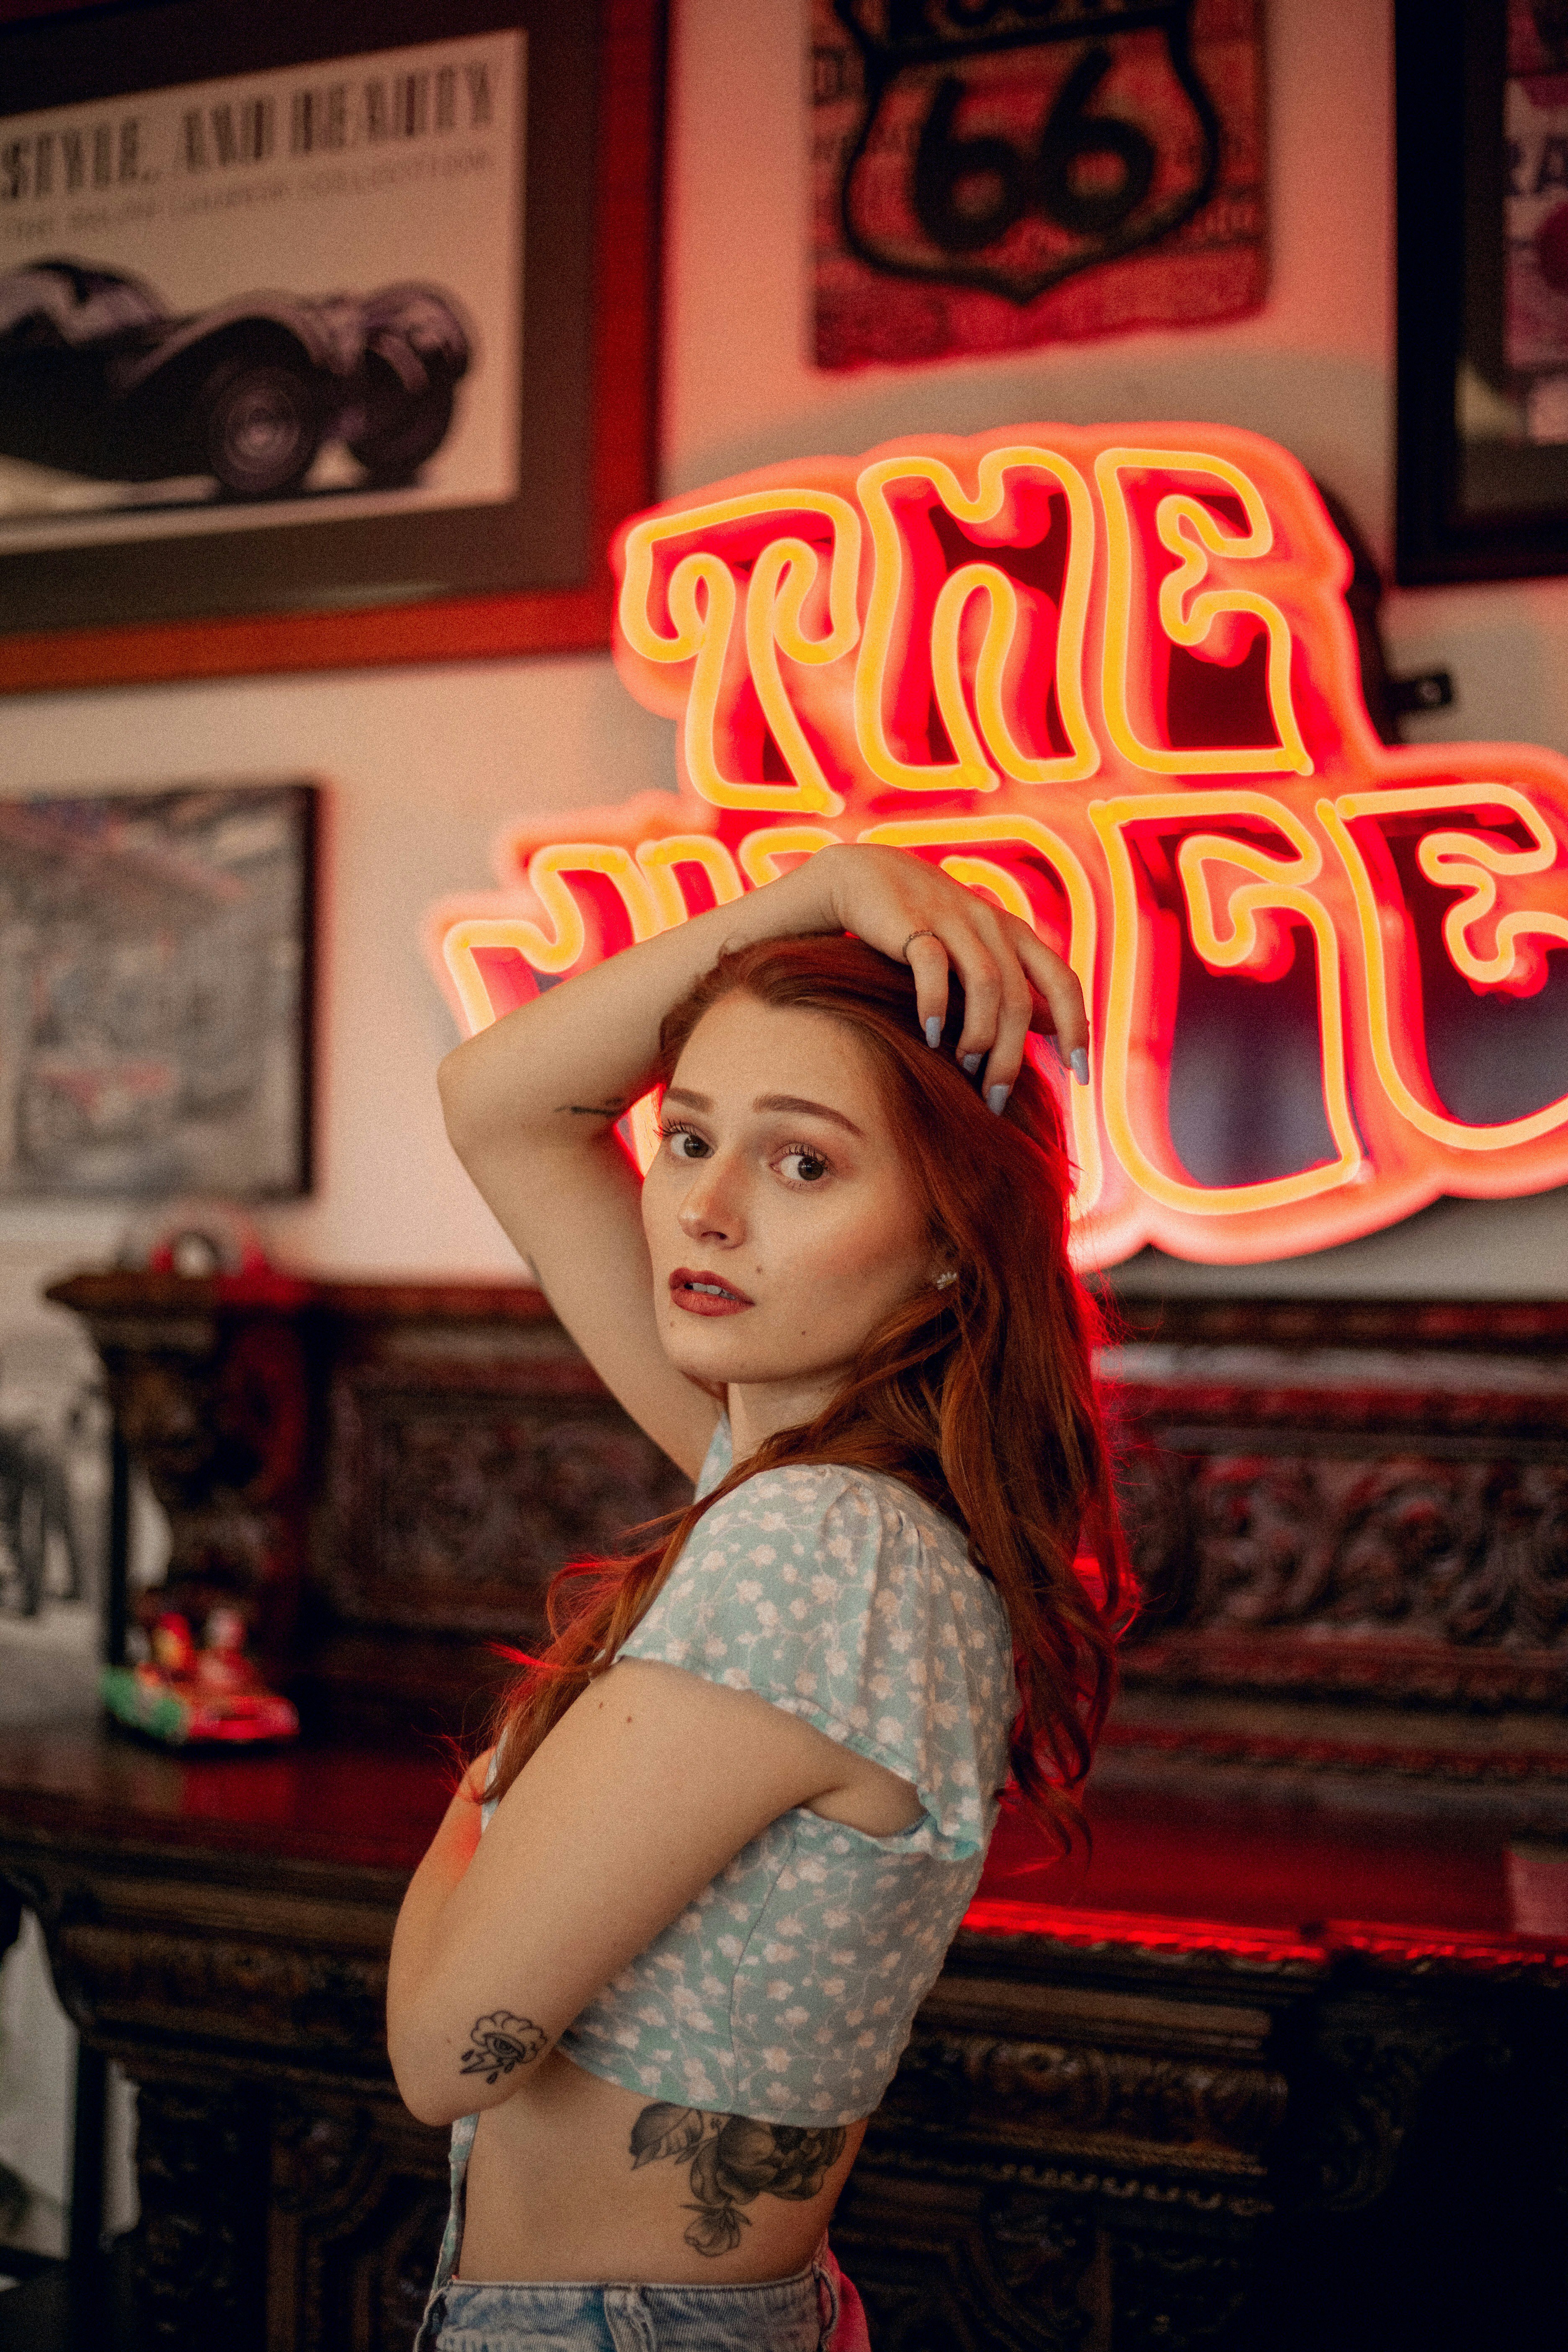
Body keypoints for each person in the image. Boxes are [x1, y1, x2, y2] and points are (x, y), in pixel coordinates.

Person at [389, 842, 1133, 2352]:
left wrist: (494, 1782)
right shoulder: (825, 1485)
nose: (705, 1211)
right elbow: (502, 1104)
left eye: (802, 1162)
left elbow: (440, 2048)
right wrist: (820, 888)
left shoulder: (821, 1548)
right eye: (687, 1139)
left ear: (946, 1249)